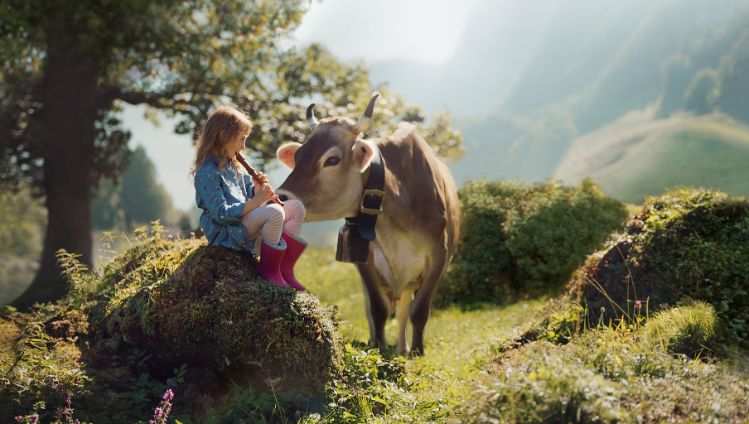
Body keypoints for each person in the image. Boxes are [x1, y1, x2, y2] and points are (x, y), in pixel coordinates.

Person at [191, 105, 307, 291]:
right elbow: (221, 214)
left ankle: (284, 269)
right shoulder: (207, 172)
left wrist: (257, 190)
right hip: (228, 231)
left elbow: (248, 196)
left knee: (295, 208)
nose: (244, 146)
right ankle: (269, 272)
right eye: (241, 139)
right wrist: (256, 201)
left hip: (245, 222)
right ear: (222, 136)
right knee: (275, 213)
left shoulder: (235, 166)